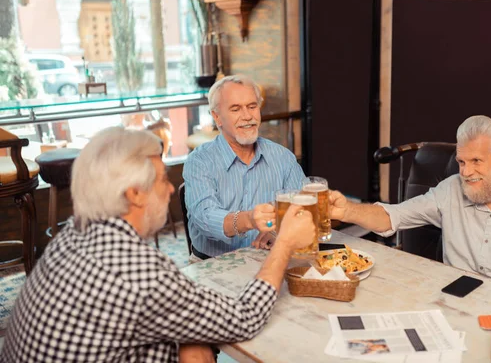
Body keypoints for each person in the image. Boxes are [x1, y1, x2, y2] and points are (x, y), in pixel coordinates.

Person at [1, 127, 316, 363]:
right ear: (135, 193)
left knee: (197, 346)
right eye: (163, 178)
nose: (169, 190)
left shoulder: (73, 234)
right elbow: (244, 318)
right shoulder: (137, 270)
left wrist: (191, 339)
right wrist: (284, 243)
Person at [329, 115, 491, 294]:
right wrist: (347, 210)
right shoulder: (450, 189)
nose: (466, 172)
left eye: (476, 161)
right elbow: (394, 216)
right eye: (461, 161)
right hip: (450, 303)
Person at [183, 75, 305, 259]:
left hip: (269, 258)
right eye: (235, 109)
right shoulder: (199, 162)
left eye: (252, 106)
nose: (247, 116)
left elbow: (301, 207)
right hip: (214, 264)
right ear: (217, 117)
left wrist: (277, 230)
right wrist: (248, 219)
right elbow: (205, 218)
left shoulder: (283, 157)